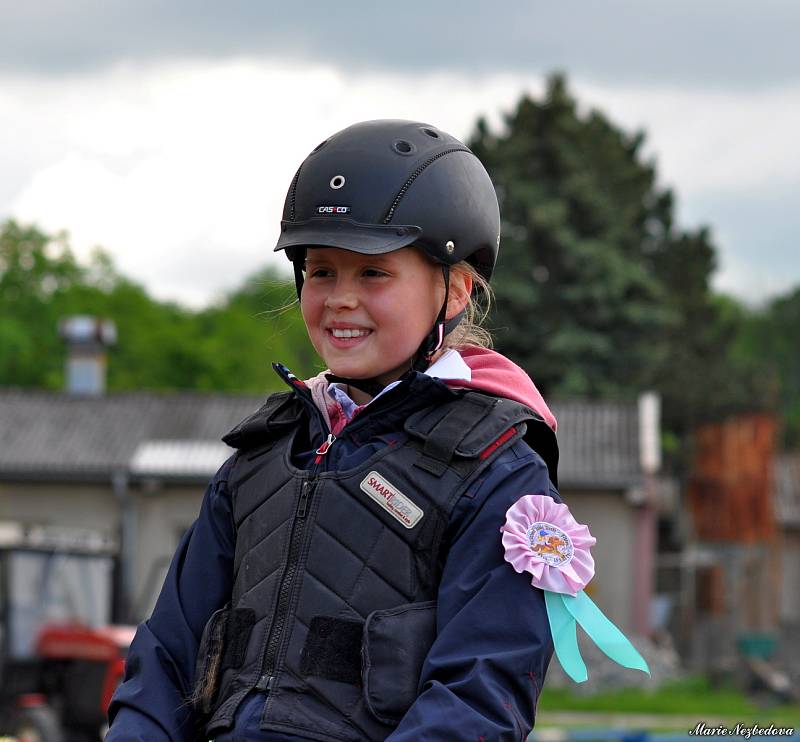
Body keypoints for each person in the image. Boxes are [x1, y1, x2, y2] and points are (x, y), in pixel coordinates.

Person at [106, 119, 562, 742]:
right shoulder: (260, 458)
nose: (340, 299)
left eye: (372, 273)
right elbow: (164, 660)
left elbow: (478, 697)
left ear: (453, 290)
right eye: (322, 272)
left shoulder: (500, 476)